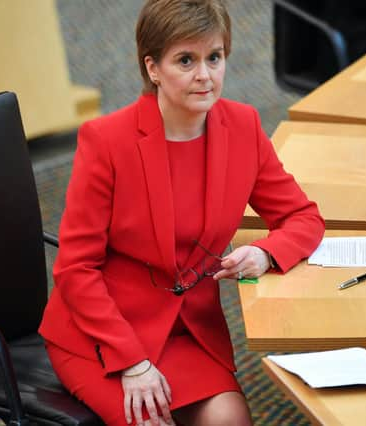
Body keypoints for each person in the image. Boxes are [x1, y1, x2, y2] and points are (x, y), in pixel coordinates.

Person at [38, 0, 325, 424]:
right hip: (102, 333)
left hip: (188, 330)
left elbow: (304, 218)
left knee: (230, 419)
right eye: (185, 61)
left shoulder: (243, 127)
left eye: (215, 57)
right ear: (153, 68)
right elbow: (75, 269)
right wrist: (132, 363)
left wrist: (266, 252)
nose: (205, 75)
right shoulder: (106, 141)